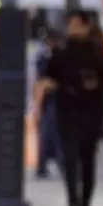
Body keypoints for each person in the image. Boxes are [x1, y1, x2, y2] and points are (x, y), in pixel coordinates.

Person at [38, 10, 103, 206]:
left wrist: (96, 84)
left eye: (76, 24)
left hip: (90, 111)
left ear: (86, 26)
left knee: (87, 158)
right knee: (69, 158)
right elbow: (48, 77)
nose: (73, 28)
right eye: (70, 24)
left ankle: (85, 200)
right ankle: (72, 200)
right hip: (67, 110)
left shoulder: (98, 52)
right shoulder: (61, 51)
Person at [34, 32, 62, 179]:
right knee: (48, 135)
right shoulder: (44, 58)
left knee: (51, 136)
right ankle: (44, 166)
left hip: (52, 102)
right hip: (49, 102)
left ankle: (45, 165)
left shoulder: (49, 58)